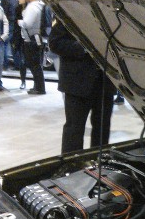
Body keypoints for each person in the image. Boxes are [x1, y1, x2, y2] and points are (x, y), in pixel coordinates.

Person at [49, 19, 116, 154]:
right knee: (74, 129)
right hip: (77, 82)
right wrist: (85, 48)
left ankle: (99, 161)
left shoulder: (110, 15)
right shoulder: (69, 13)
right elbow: (55, 43)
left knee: (102, 128)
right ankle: (72, 164)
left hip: (105, 82)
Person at [17, 0, 45, 94]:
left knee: (34, 65)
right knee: (36, 64)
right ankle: (38, 86)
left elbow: (27, 24)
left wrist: (20, 22)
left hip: (32, 38)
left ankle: (39, 88)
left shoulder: (32, 7)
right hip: (37, 38)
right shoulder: (39, 5)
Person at [0, 0, 17, 69]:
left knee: (4, 43)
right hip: (13, 23)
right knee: (12, 44)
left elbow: (3, 13)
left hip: (7, 23)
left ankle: (4, 64)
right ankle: (17, 64)